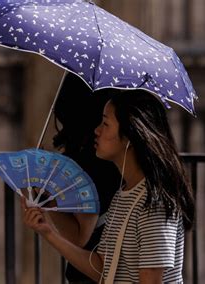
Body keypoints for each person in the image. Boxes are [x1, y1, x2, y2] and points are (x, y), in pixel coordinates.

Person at [23, 89, 195, 283]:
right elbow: (104, 268)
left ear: (130, 136)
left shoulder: (153, 202)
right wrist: (47, 231)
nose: (97, 130)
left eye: (105, 124)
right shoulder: (125, 194)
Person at [49, 73, 120, 283]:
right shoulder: (110, 157)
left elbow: (79, 236)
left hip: (91, 270)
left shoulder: (89, 161)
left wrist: (46, 204)